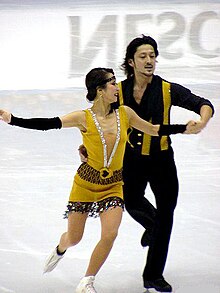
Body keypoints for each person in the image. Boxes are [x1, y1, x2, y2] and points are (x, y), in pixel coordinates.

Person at [0, 67, 191, 293]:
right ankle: (61, 248)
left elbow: (152, 129)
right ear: (100, 90)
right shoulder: (83, 117)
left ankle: (87, 280)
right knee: (74, 237)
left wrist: (183, 128)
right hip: (85, 184)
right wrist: (12, 119)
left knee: (110, 234)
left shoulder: (125, 114)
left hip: (113, 185)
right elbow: (48, 123)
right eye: (111, 83)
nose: (116, 87)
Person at [117, 35, 214, 292]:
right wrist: (86, 146)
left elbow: (203, 103)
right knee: (132, 202)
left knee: (166, 216)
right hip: (131, 160)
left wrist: (202, 122)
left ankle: (152, 275)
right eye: (143, 56)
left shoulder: (167, 89)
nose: (149, 61)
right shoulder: (118, 91)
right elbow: (98, 119)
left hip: (162, 161)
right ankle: (151, 225)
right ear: (131, 62)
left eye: (152, 56)